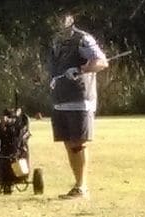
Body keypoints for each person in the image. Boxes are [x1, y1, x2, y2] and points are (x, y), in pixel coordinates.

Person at [48, 13, 108, 199]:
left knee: (77, 143)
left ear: (70, 19)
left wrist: (81, 69)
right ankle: (77, 185)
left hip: (80, 99)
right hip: (60, 99)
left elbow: (101, 62)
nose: (57, 21)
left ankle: (82, 187)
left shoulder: (83, 39)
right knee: (68, 143)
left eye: (62, 17)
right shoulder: (55, 41)